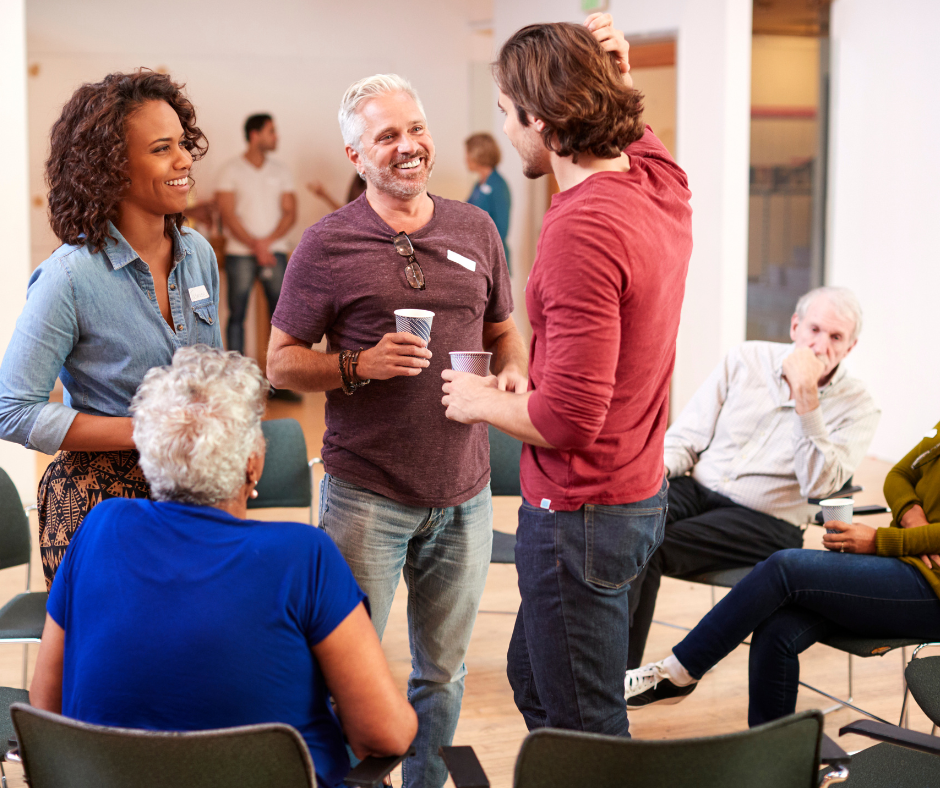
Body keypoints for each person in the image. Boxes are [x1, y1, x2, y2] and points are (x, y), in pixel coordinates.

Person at [265, 74, 527, 788]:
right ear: (357, 155)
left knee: (443, 672)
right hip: (366, 496)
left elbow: (506, 331)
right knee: (346, 672)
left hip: (465, 492)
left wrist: (510, 375)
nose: (409, 147)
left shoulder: (476, 227)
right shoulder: (326, 245)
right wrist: (360, 363)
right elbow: (280, 363)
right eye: (387, 136)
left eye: (416, 129)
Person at [441, 14, 693, 737]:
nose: (508, 131)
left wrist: (480, 397)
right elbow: (643, 140)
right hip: (637, 499)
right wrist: (614, 73)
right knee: (536, 680)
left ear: (542, 121)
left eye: (507, 116)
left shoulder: (581, 225)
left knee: (585, 730)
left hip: (582, 514)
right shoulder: (658, 189)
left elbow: (569, 422)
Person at [29, 346, 417, 788]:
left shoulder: (100, 527)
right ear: (253, 464)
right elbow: (386, 735)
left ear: (151, 455)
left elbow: (46, 710)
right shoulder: (302, 556)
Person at [0, 69, 221, 590]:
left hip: (194, 489)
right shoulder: (70, 277)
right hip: (102, 501)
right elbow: (12, 409)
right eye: (162, 149)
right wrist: (147, 430)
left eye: (184, 144)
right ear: (112, 168)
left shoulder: (200, 256)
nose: (184, 160)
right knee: (123, 664)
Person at [626, 286, 881, 671]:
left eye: (835, 338)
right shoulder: (747, 358)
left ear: (850, 347)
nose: (819, 345)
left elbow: (818, 486)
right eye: (814, 329)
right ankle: (583, 665)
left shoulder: (859, 406)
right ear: (795, 326)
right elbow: (686, 439)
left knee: (654, 546)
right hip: (698, 487)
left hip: (766, 520)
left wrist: (806, 398)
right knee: (628, 525)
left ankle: (610, 684)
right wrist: (648, 474)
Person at [623, 418, 940, 727]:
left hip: (930, 589)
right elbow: (898, 475)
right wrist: (913, 515)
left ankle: (679, 672)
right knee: (776, 628)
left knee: (784, 567)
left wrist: (882, 540)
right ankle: (776, 759)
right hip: (904, 563)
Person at [216, 114, 297, 363]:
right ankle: (237, 380)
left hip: (275, 252)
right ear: (255, 135)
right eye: (271, 131)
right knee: (237, 315)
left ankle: (279, 380)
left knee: (281, 318)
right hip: (240, 253)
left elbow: (290, 212)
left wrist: (265, 243)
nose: (276, 137)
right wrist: (255, 245)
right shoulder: (230, 169)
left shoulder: (281, 171)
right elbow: (227, 214)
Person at [465, 133, 511, 273]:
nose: (465, 158)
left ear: (478, 154)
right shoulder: (479, 184)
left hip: (492, 259)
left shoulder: (498, 185)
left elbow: (501, 229)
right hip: (477, 256)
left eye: (467, 153)